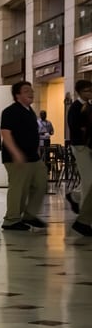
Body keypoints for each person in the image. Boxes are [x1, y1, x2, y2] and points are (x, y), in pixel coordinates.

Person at [0, 80, 48, 231]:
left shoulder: (30, 111)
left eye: (31, 91)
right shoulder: (10, 111)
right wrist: (16, 153)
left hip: (33, 157)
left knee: (41, 184)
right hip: (16, 157)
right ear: (17, 95)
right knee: (18, 188)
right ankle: (11, 219)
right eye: (26, 91)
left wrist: (38, 152)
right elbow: (6, 134)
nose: (31, 93)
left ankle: (29, 215)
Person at [66, 78, 92, 235]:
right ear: (80, 92)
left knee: (88, 180)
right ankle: (85, 220)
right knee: (89, 182)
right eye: (87, 90)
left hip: (89, 145)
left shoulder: (89, 106)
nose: (89, 93)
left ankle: (74, 195)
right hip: (80, 146)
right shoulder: (75, 107)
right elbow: (74, 126)